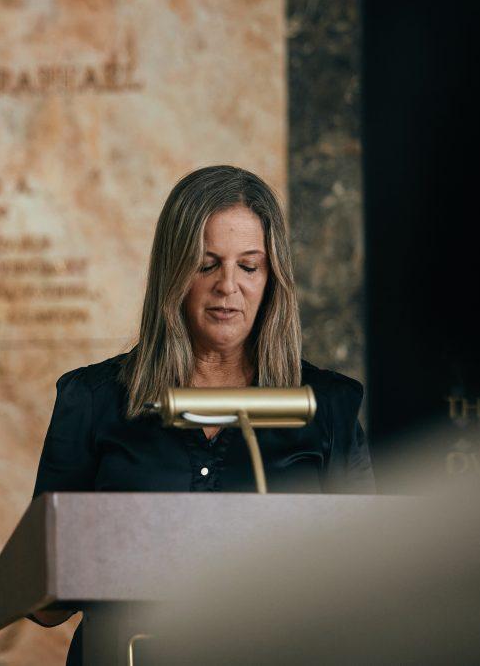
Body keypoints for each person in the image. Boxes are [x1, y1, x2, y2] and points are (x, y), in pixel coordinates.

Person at [26, 165, 375, 664]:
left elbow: (373, 585)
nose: (227, 286)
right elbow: (44, 607)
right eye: (206, 264)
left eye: (248, 266)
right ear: (174, 271)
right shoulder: (92, 399)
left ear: (272, 276)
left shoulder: (329, 406)